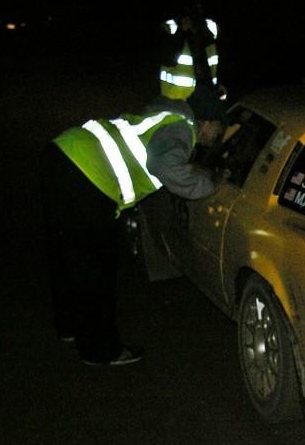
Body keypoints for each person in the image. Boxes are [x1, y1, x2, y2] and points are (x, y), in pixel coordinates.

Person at [41, 86, 228, 366]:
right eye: (220, 128)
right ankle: (100, 350)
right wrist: (210, 185)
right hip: (88, 180)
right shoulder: (181, 128)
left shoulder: (164, 114)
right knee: (96, 270)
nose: (219, 136)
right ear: (206, 123)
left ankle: (69, 326)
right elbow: (166, 166)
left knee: (67, 254)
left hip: (61, 155)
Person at [158, 0, 225, 101]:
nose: (198, 4)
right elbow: (167, 59)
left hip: (204, 96)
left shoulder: (209, 27)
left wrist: (219, 86)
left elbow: (215, 61)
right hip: (177, 99)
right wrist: (181, 33)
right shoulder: (172, 27)